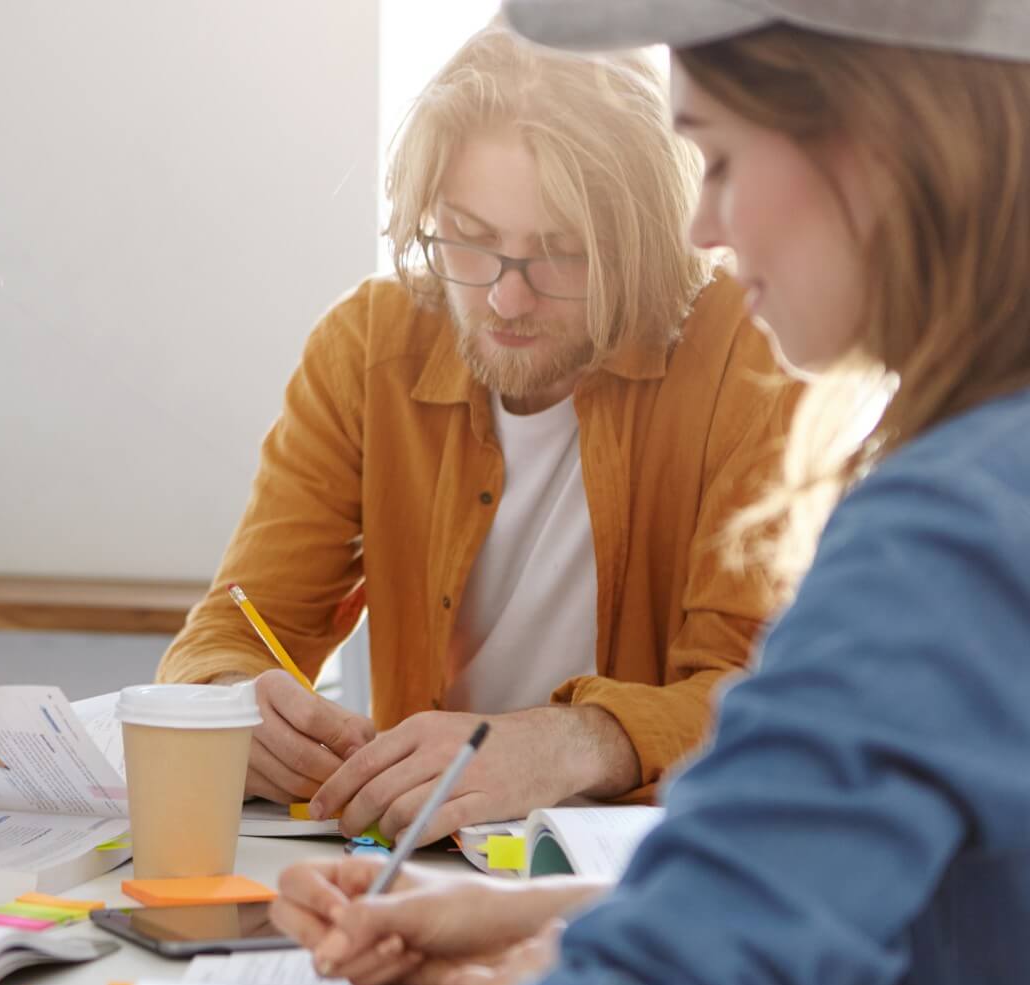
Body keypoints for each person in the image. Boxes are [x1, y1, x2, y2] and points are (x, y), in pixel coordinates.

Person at [274, 2, 1030, 985]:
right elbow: (935, 914)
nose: (703, 224)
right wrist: (574, 923)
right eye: (474, 243)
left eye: (718, 157)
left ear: (876, 149)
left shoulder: (949, 530)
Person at [157, 23, 796, 843]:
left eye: (561, 253)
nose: (504, 299)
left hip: (644, 876)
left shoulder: (756, 352)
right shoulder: (367, 346)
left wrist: (573, 743)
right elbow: (230, 630)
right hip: (414, 866)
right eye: (469, 236)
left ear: (642, 243)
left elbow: (759, 698)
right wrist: (230, 701)